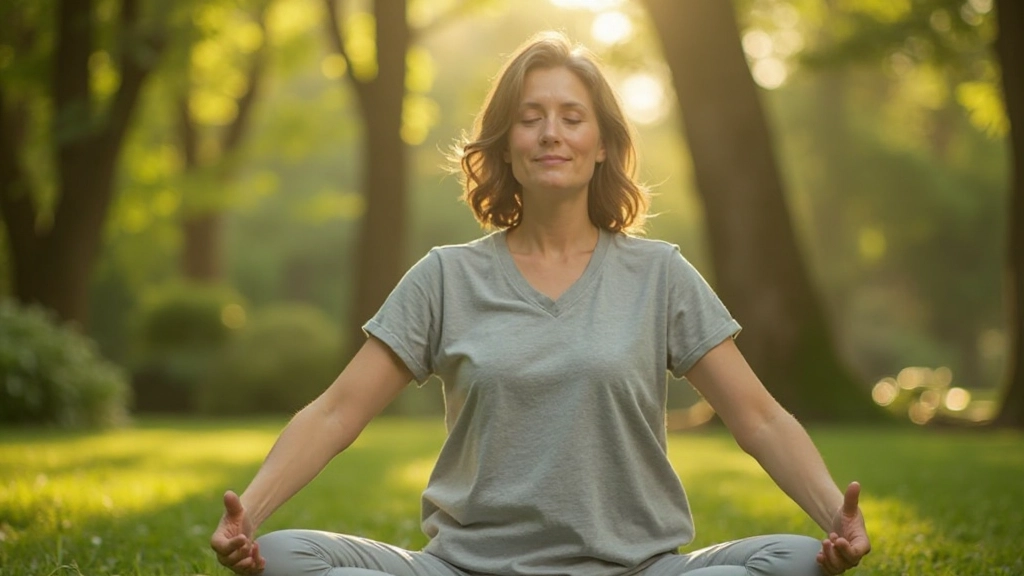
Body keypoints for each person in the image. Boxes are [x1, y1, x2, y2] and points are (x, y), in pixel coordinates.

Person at [210, 31, 871, 576]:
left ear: (602, 144)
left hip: (636, 570)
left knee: (796, 561)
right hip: (467, 569)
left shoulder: (659, 274)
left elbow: (757, 417)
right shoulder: (446, 277)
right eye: (530, 119)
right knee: (285, 557)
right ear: (506, 145)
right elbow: (335, 412)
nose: (551, 133)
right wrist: (253, 514)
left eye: (571, 117)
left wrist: (833, 517)